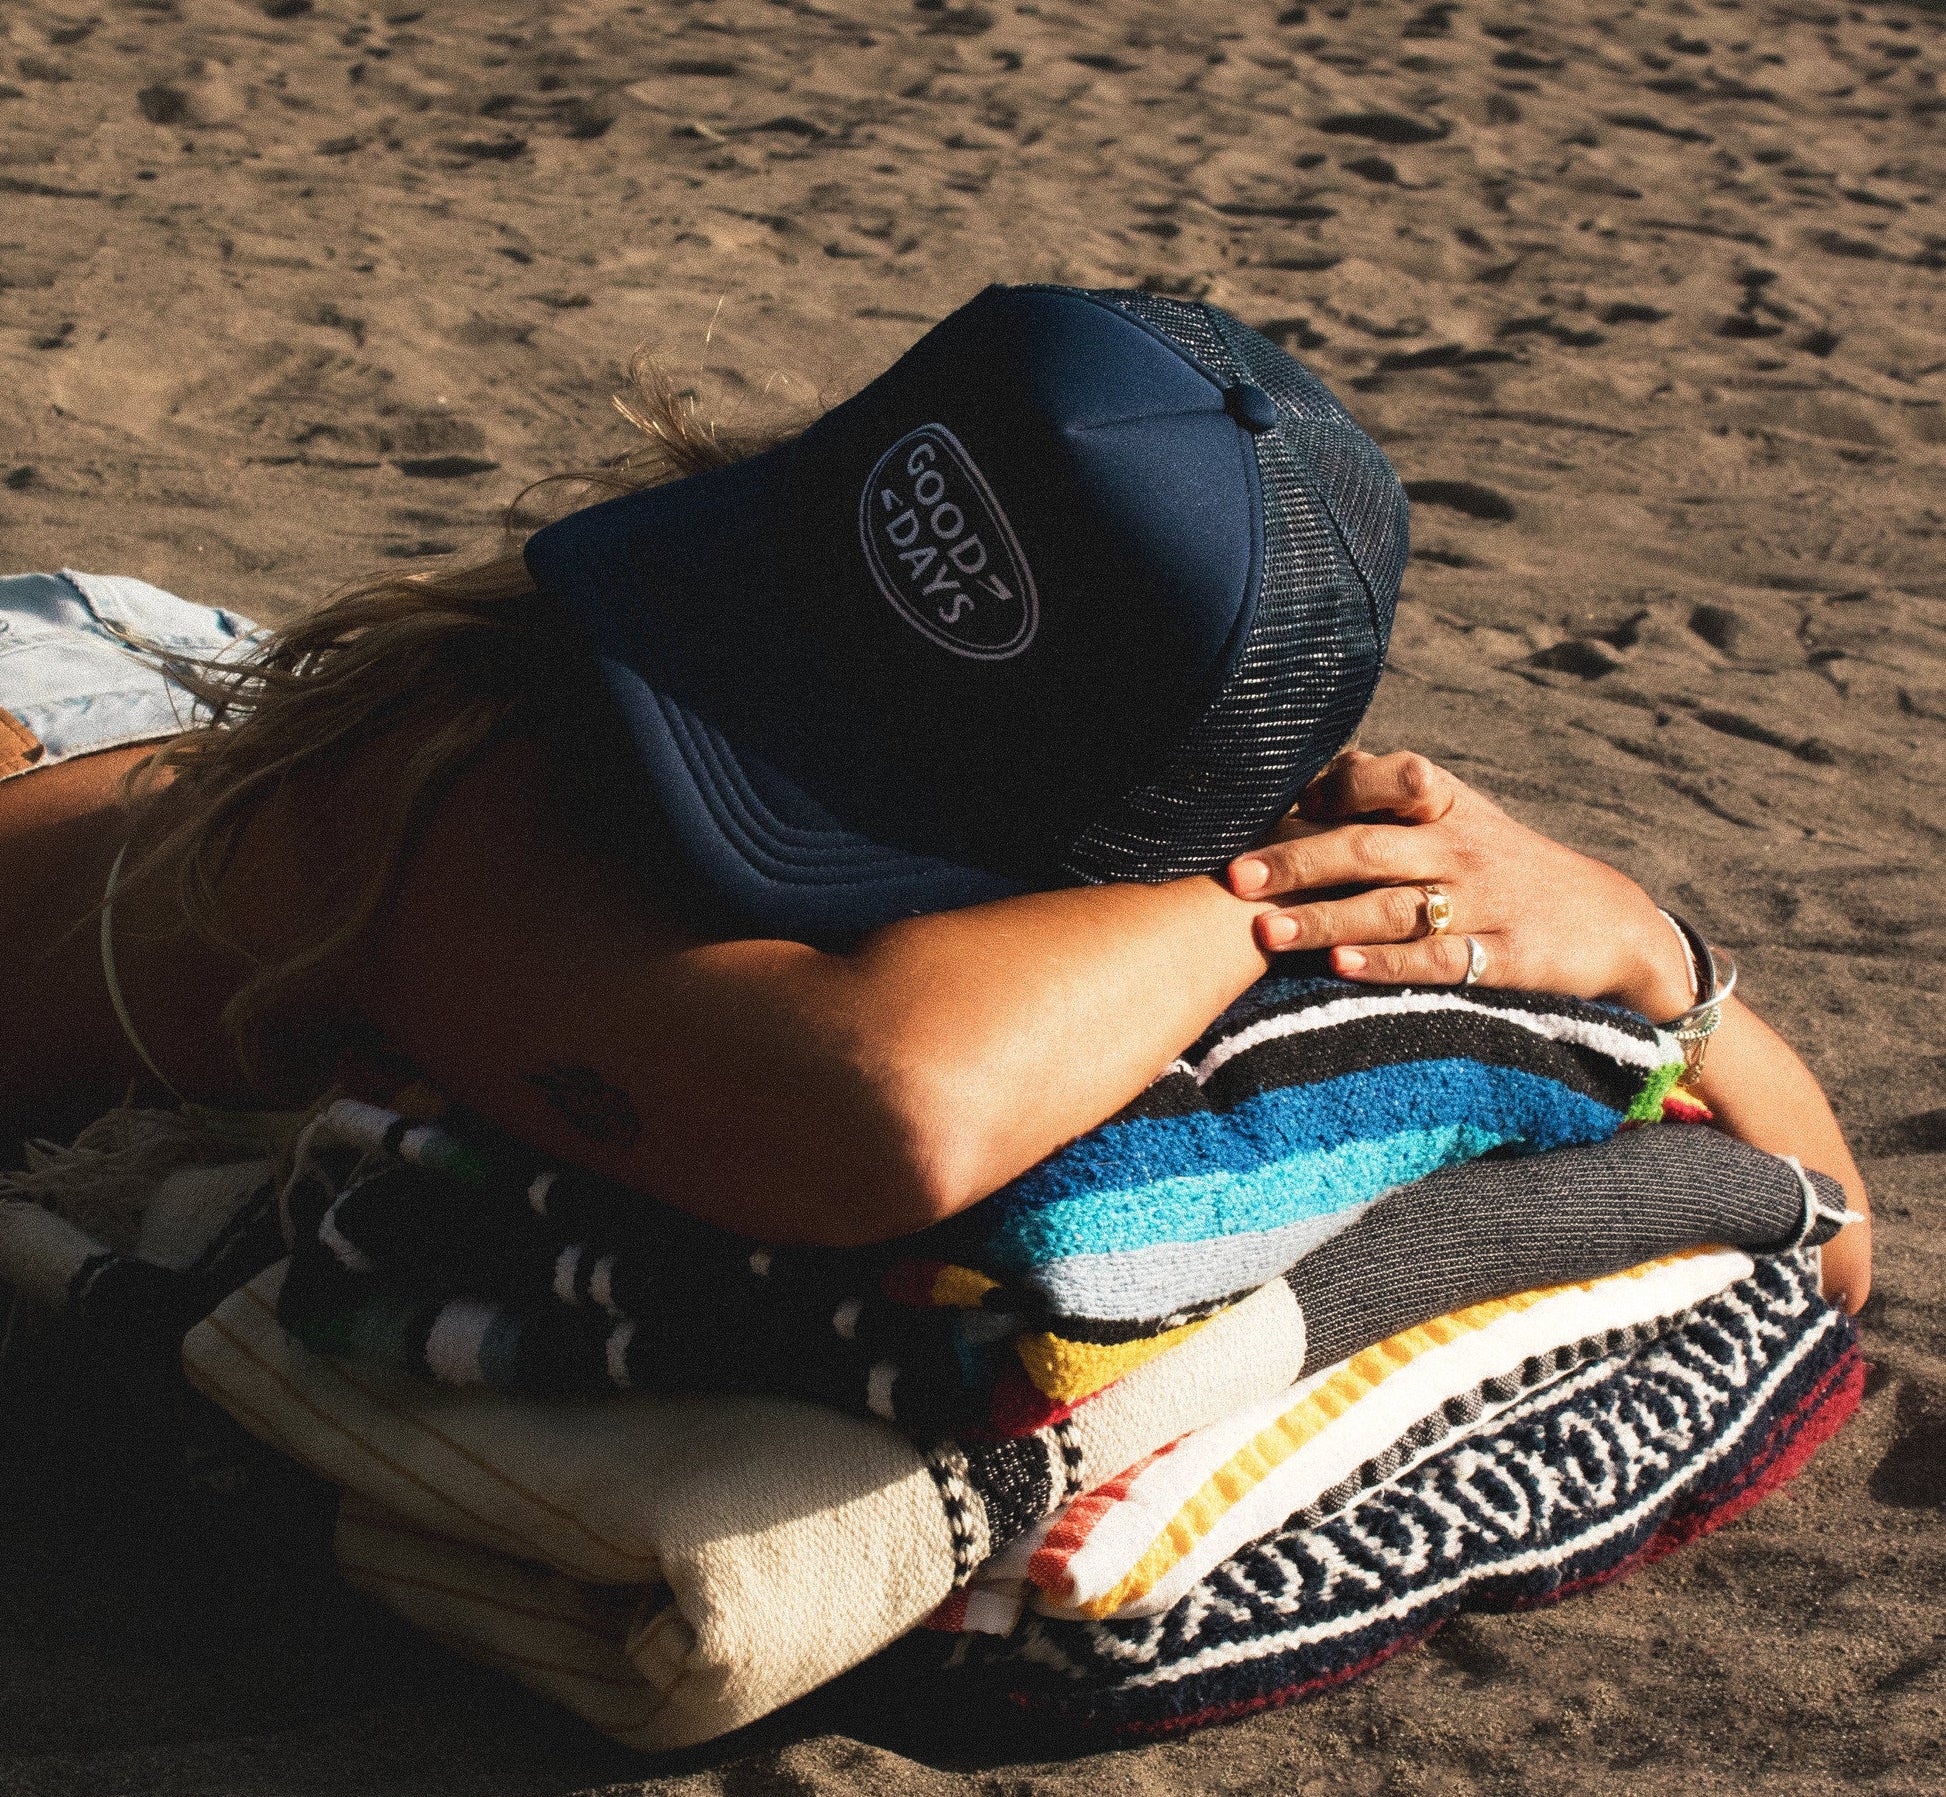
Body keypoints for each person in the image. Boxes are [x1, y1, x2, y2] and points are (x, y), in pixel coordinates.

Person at [0, 286, 1869, 1312]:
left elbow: (1815, 1231)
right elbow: (879, 1114)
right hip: (71, 716)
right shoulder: (473, 817)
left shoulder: (1167, 780)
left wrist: (1651, 947)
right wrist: (1257, 896)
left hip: (153, 700)